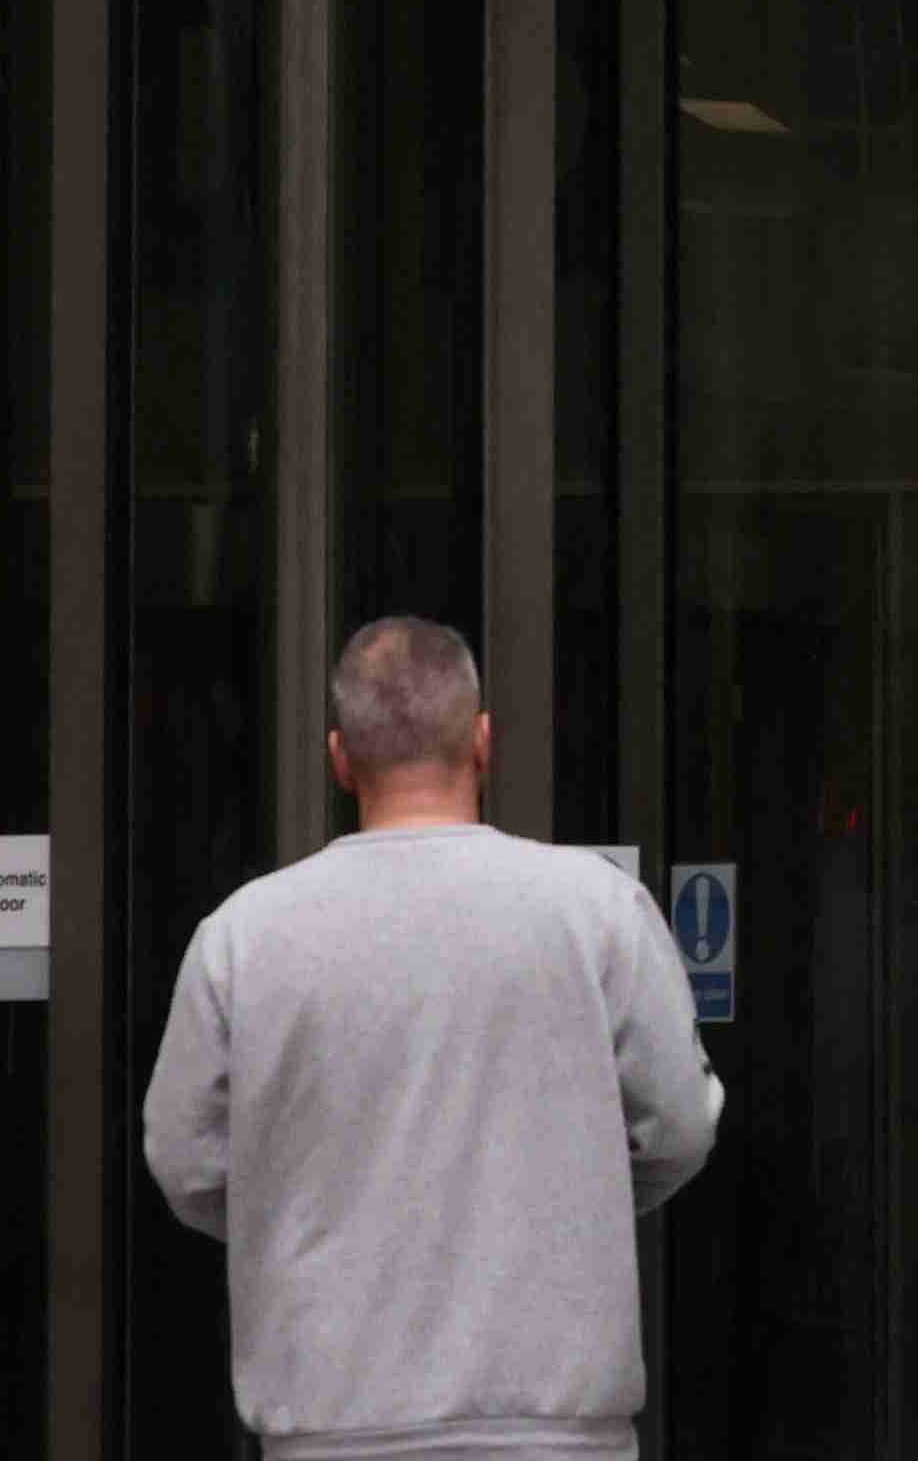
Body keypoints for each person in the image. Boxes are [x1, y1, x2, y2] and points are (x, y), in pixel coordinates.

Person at [145, 616, 722, 1461]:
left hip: (331, 1426)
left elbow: (185, 1159)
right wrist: (570, 1200)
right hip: (557, 1435)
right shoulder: (596, 911)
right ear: (483, 742)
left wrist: (314, 1215)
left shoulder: (244, 935)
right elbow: (681, 1126)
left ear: (341, 757)